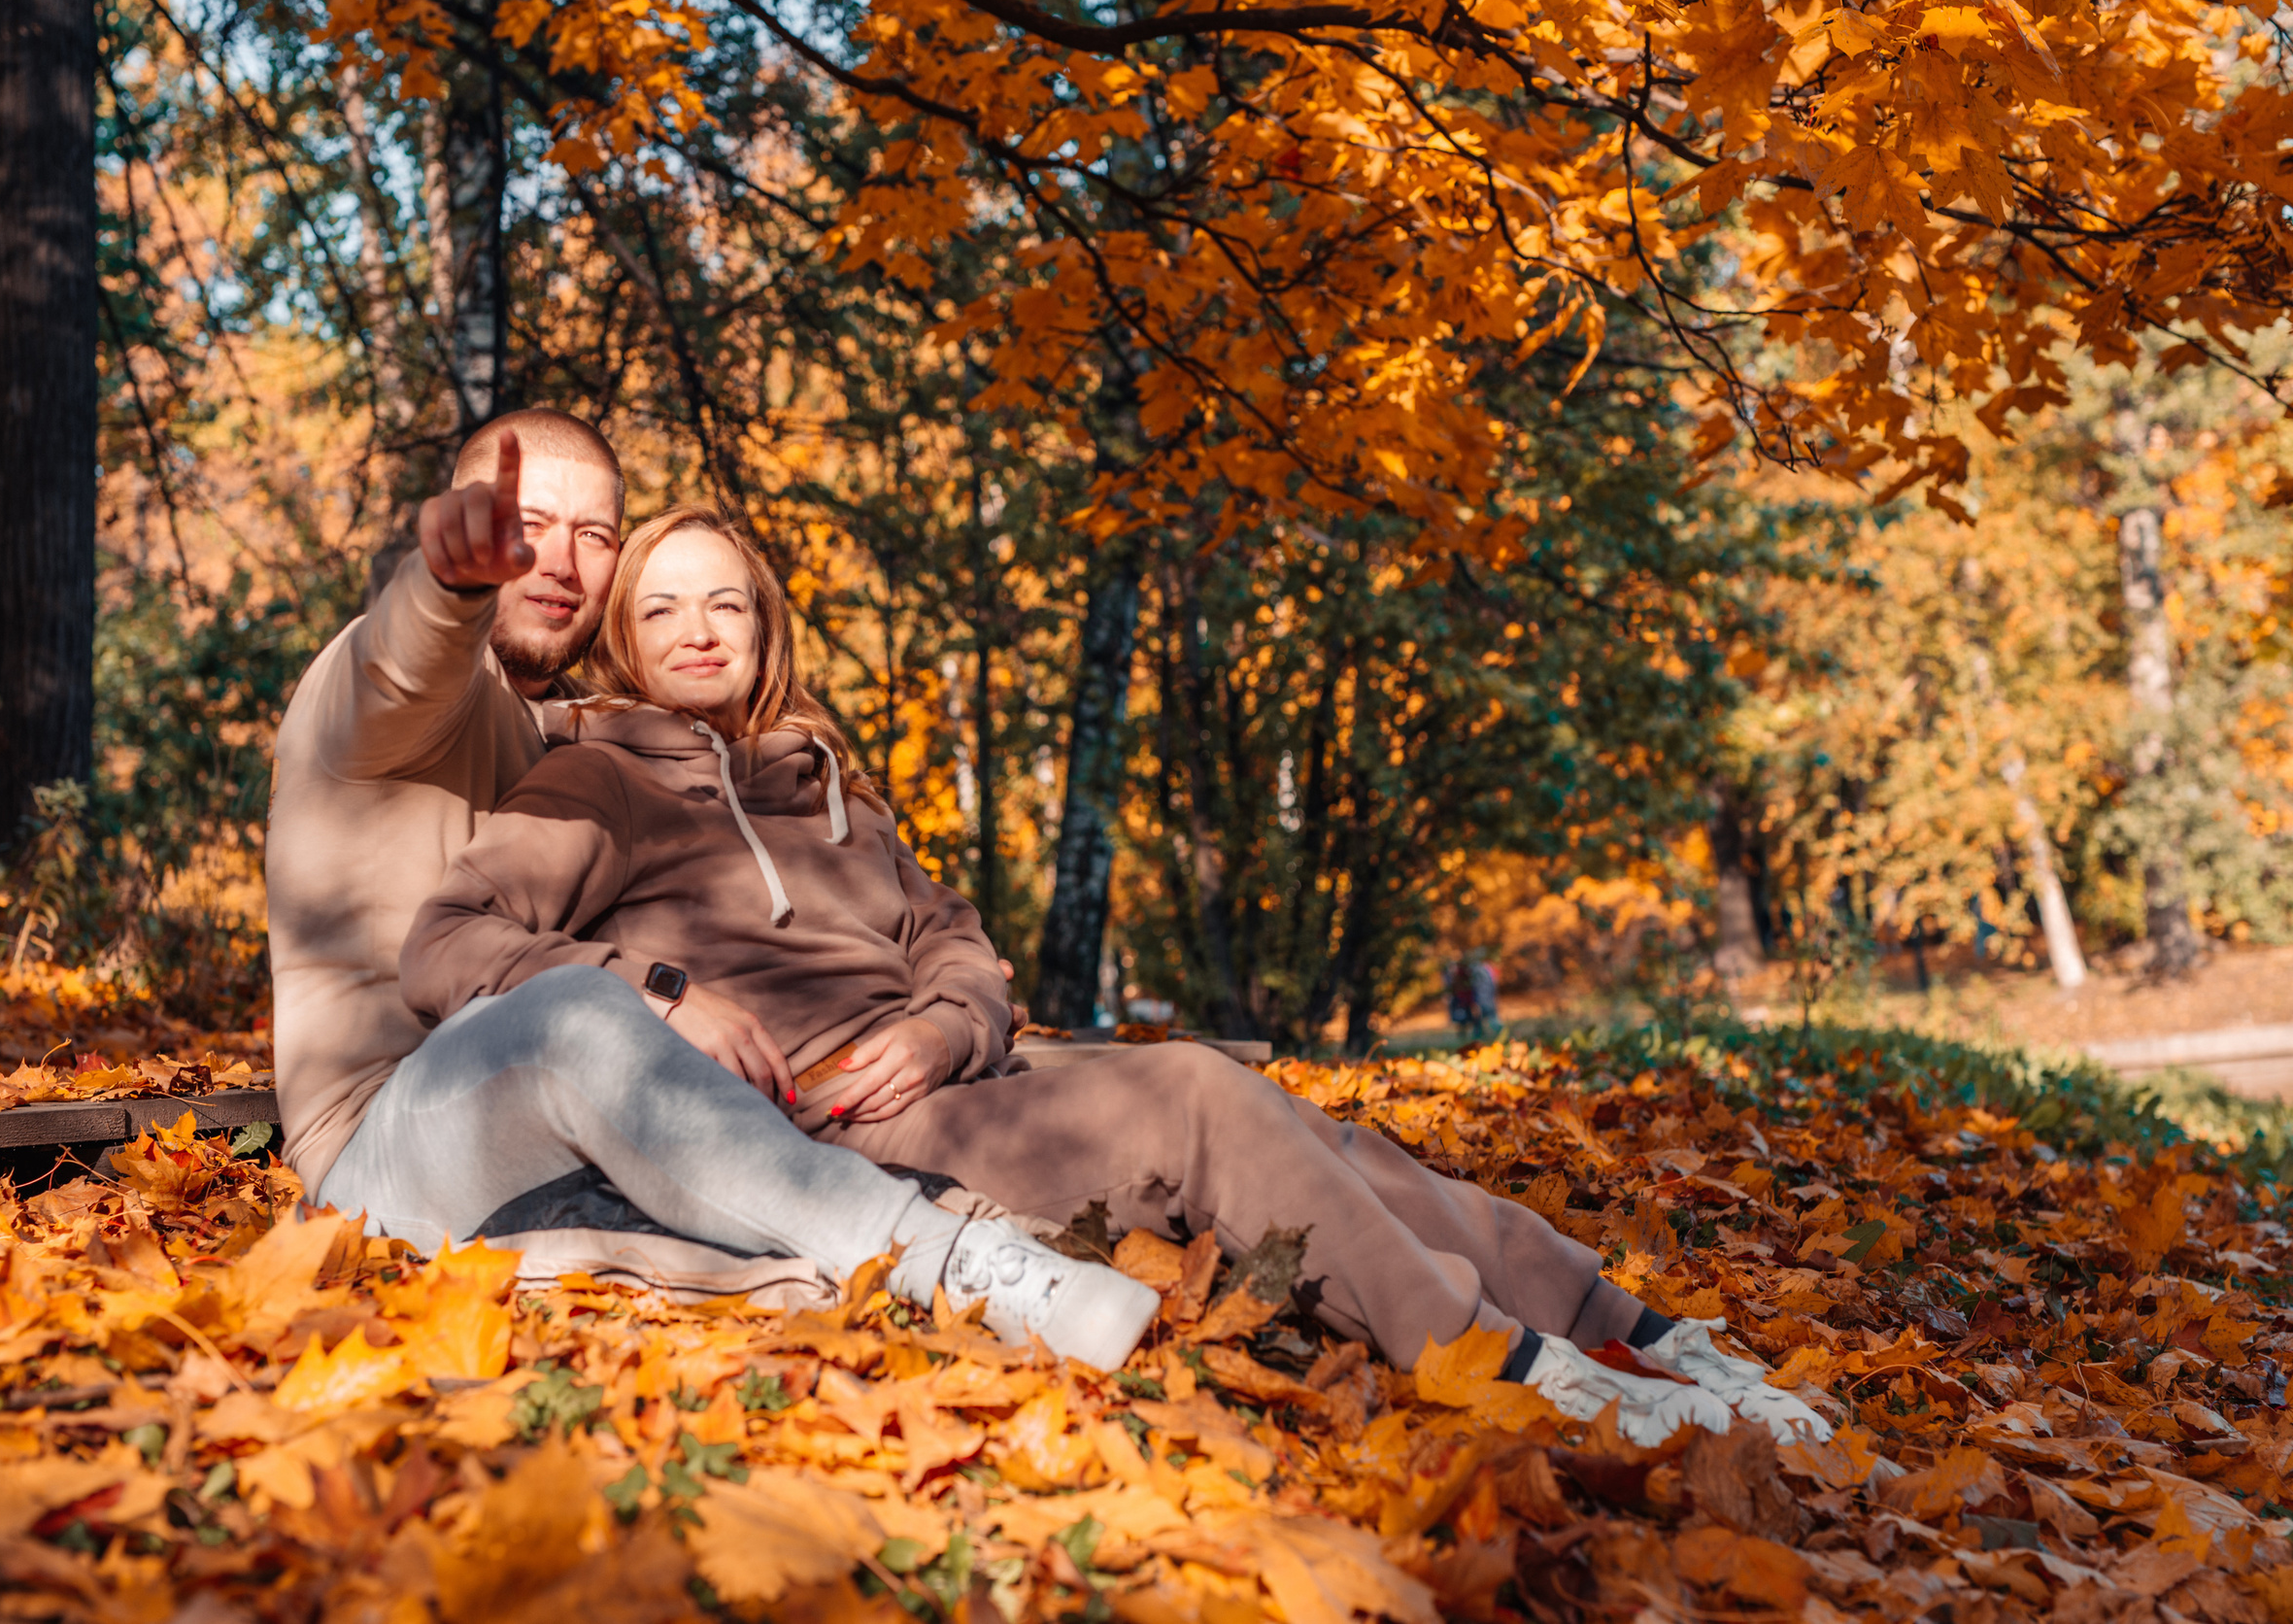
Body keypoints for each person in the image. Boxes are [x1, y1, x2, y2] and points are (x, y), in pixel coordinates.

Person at [400, 504, 1831, 1443]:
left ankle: (1625, 1330)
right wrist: (659, 992)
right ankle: (1498, 1366)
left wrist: (956, 1019)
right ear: (627, 644)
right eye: (663, 611)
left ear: (766, 624)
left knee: (1318, 1136)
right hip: (837, 1132)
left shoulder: (827, 785)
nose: (700, 630)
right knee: (1204, 1097)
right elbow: (447, 945)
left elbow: (960, 945)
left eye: (728, 603)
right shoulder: (592, 777)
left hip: (957, 1084)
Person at [267, 410, 1158, 1370]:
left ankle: (974, 1237)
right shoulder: (388, 692)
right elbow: (404, 663)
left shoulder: (565, 736)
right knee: (579, 1008)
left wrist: (938, 994)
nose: (562, 560)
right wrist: (445, 586)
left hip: (568, 1130)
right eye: (527, 524)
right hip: (393, 1139)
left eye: (595, 535)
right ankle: (959, 1258)